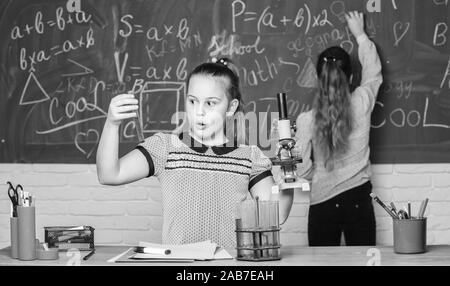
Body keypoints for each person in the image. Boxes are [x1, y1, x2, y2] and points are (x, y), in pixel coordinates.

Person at [96, 58, 293, 248]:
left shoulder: (249, 157)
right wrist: (112, 124)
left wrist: (287, 169)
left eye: (210, 103)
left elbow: (277, 214)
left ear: (231, 108)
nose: (199, 111)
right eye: (192, 101)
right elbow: (109, 174)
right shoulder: (166, 147)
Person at [292, 11, 383, 246]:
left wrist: (321, 177)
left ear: (318, 78)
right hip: (358, 201)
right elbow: (374, 74)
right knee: (365, 263)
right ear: (351, 76)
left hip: (322, 204)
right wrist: (361, 35)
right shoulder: (362, 103)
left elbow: (301, 171)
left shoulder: (306, 120)